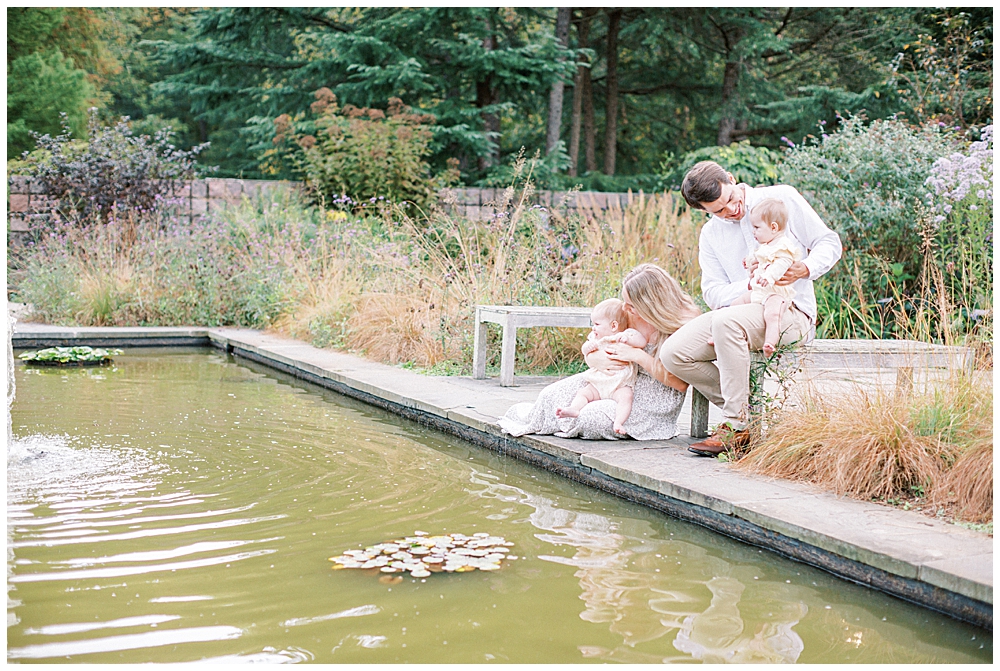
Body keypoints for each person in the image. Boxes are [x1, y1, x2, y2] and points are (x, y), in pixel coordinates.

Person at [663, 161, 842, 456]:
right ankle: (753, 413)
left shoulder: (782, 198)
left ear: (732, 180)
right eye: (719, 210)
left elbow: (828, 242)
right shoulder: (710, 235)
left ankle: (736, 426)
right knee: (674, 353)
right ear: (703, 210)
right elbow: (712, 292)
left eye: (731, 199)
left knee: (726, 323)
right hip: (742, 308)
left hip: (789, 310)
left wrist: (804, 268)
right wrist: (749, 286)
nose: (731, 211)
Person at [498, 264, 701, 440]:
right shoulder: (627, 313)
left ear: (651, 304)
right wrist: (595, 359)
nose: (624, 307)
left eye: (631, 304)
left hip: (652, 398)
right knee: (549, 396)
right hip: (613, 379)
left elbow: (680, 383)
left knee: (590, 418)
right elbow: (596, 342)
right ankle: (552, 419)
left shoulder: (682, 324)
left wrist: (637, 356)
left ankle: (591, 422)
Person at [555, 298, 648, 435]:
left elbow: (642, 342)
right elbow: (584, 349)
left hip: (620, 384)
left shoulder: (626, 334)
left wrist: (629, 340)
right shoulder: (595, 338)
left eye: (597, 324)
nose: (593, 328)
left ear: (614, 326)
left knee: (626, 397)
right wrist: (587, 347)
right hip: (598, 383)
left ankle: (619, 421)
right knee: (583, 393)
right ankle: (574, 409)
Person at [730, 198, 803, 356]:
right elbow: (760, 259)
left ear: (773, 227)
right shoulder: (766, 245)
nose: (753, 231)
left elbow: (782, 264)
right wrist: (749, 262)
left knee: (772, 314)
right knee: (736, 303)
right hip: (761, 291)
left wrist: (769, 276)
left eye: (756, 227)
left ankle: (770, 342)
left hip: (776, 293)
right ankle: (721, 333)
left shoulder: (783, 247)